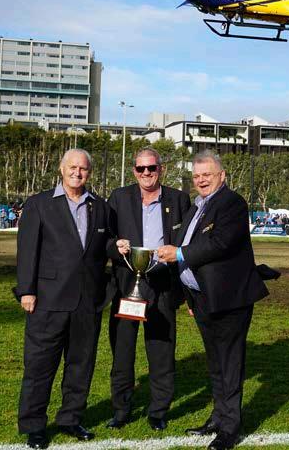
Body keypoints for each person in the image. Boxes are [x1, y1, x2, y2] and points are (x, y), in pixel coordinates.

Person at [158, 150, 269, 450]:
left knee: (229, 363)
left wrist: (178, 253)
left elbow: (220, 244)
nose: (201, 180)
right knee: (216, 362)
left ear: (222, 176)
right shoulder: (197, 206)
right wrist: (190, 297)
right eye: (196, 176)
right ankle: (218, 418)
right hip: (203, 298)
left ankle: (230, 427)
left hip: (229, 298)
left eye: (207, 174)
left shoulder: (232, 203)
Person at [15, 149, 114, 449]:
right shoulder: (39, 204)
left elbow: (104, 246)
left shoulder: (100, 207)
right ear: (61, 169)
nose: (77, 173)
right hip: (47, 300)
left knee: (80, 365)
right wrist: (27, 290)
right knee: (39, 366)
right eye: (72, 167)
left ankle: (71, 418)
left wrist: (117, 245)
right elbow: (27, 250)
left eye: (83, 168)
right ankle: (34, 425)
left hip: (87, 301)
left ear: (89, 172)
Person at [105, 148, 191, 431]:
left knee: (161, 352)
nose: (146, 173)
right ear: (134, 171)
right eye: (140, 168)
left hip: (163, 285)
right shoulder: (118, 198)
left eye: (151, 168)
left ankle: (158, 411)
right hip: (127, 286)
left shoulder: (179, 199)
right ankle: (121, 409)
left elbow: (188, 243)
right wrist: (115, 247)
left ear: (160, 169)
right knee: (122, 352)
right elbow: (105, 239)